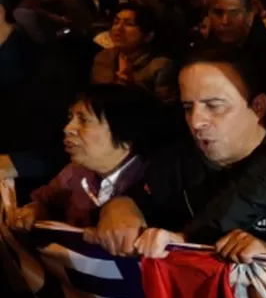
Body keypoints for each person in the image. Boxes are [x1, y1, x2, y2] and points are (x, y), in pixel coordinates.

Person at [90, 49, 266, 264]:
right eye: (188, 107)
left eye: (214, 106)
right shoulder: (176, 162)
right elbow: (144, 199)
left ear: (258, 107)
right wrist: (120, 208)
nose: (197, 121)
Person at [10, 84, 163, 230]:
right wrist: (36, 210)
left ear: (126, 134)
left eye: (84, 120)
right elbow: (45, 201)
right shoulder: (74, 173)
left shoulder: (155, 182)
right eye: (71, 118)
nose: (67, 128)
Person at [91, 2, 176, 102]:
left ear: (148, 35)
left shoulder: (160, 66)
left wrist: (133, 87)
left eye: (129, 24)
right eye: (116, 22)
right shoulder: (104, 57)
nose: (119, 28)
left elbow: (166, 109)